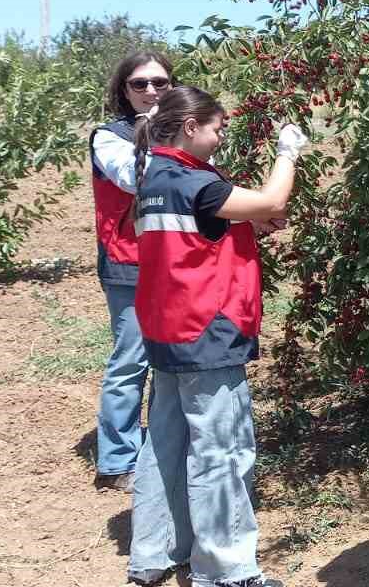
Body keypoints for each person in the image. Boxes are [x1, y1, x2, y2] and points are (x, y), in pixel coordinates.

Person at [124, 86, 305, 587]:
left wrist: (246, 227)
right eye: (217, 128)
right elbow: (273, 198)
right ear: (190, 127)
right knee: (221, 449)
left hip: (167, 329)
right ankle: (225, 570)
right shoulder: (194, 181)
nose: (222, 137)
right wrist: (288, 151)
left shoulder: (155, 179)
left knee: (165, 445)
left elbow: (193, 238)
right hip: (207, 329)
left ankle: (155, 553)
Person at [90, 51, 175, 491]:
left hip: (174, 262)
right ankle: (117, 461)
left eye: (160, 83)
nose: (150, 91)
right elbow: (135, 176)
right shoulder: (109, 137)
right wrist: (160, 134)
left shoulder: (180, 131)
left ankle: (159, 448)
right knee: (130, 360)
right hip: (128, 263)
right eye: (139, 84)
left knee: (170, 358)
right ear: (123, 90)